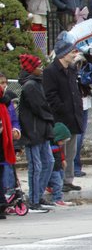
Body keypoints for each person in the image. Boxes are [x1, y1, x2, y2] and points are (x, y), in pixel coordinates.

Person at [42, 32, 84, 193]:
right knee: (60, 152)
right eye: (72, 52)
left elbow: (75, 91)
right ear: (63, 54)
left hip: (74, 115)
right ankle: (57, 181)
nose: (74, 54)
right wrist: (63, 109)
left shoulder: (72, 70)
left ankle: (68, 179)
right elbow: (51, 95)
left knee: (72, 151)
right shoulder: (51, 71)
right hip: (61, 118)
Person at [17, 54, 55, 213]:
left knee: (49, 162)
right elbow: (40, 107)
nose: (42, 69)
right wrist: (50, 116)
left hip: (42, 129)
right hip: (33, 131)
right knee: (36, 166)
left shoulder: (37, 83)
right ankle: (33, 200)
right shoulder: (30, 86)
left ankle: (38, 196)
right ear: (32, 69)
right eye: (38, 66)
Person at [0, 73, 21, 211]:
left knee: (5, 168)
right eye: (1, 82)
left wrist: (15, 130)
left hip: (6, 141)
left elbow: (13, 119)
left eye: (5, 82)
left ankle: (7, 197)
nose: (4, 85)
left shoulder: (7, 100)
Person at [46, 122, 76, 207]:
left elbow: (61, 154)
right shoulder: (50, 146)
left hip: (59, 167)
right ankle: (57, 199)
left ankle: (52, 188)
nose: (63, 143)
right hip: (54, 168)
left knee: (60, 179)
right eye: (62, 141)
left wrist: (63, 160)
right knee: (58, 183)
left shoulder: (58, 146)